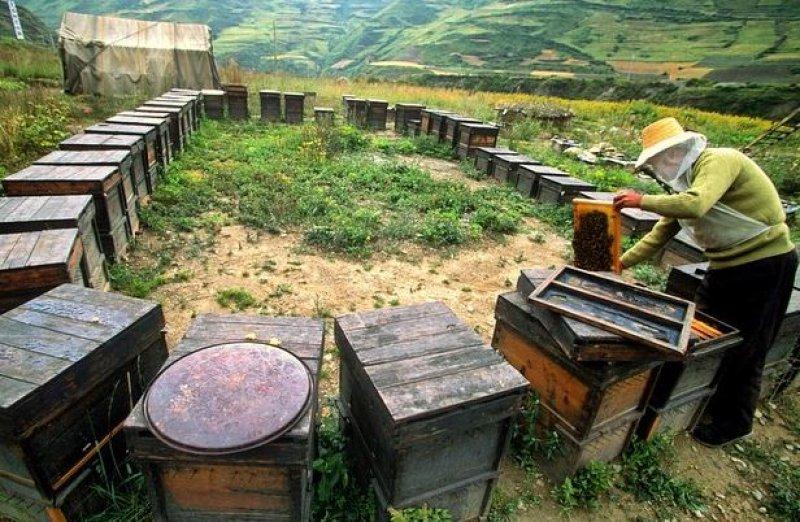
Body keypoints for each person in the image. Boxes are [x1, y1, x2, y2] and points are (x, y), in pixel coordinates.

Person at [614, 117, 797, 447]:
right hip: (725, 268)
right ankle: (701, 398)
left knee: (748, 346)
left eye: (665, 157)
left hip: (766, 266)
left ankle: (735, 422)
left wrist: (641, 200)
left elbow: (697, 205)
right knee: (700, 334)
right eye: (656, 161)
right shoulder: (684, 188)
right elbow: (658, 236)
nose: (663, 165)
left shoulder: (719, 161)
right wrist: (616, 264)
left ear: (681, 149)